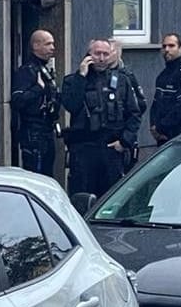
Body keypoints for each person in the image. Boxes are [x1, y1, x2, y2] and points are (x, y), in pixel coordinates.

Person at [60, 38, 143, 197]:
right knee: (82, 196)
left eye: (106, 54)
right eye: (98, 54)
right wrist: (81, 77)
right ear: (89, 54)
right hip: (83, 150)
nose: (102, 58)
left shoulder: (121, 81)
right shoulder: (72, 81)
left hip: (111, 149)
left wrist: (125, 141)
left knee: (110, 197)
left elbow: (134, 113)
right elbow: (71, 105)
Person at [10, 29, 61, 177]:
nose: (52, 47)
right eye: (48, 44)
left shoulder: (45, 69)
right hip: (33, 133)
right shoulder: (27, 71)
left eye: (53, 44)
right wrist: (38, 89)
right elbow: (17, 100)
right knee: (36, 175)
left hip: (47, 130)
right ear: (36, 45)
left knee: (48, 174)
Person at [150, 32, 181, 145]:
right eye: (164, 46)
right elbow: (155, 105)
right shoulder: (162, 76)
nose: (167, 49)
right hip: (163, 137)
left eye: (171, 46)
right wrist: (154, 128)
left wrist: (161, 126)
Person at [108, 37, 148, 171]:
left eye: (111, 51)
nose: (106, 55)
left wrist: (126, 139)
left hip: (122, 139)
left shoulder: (127, 77)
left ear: (118, 53)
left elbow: (140, 106)